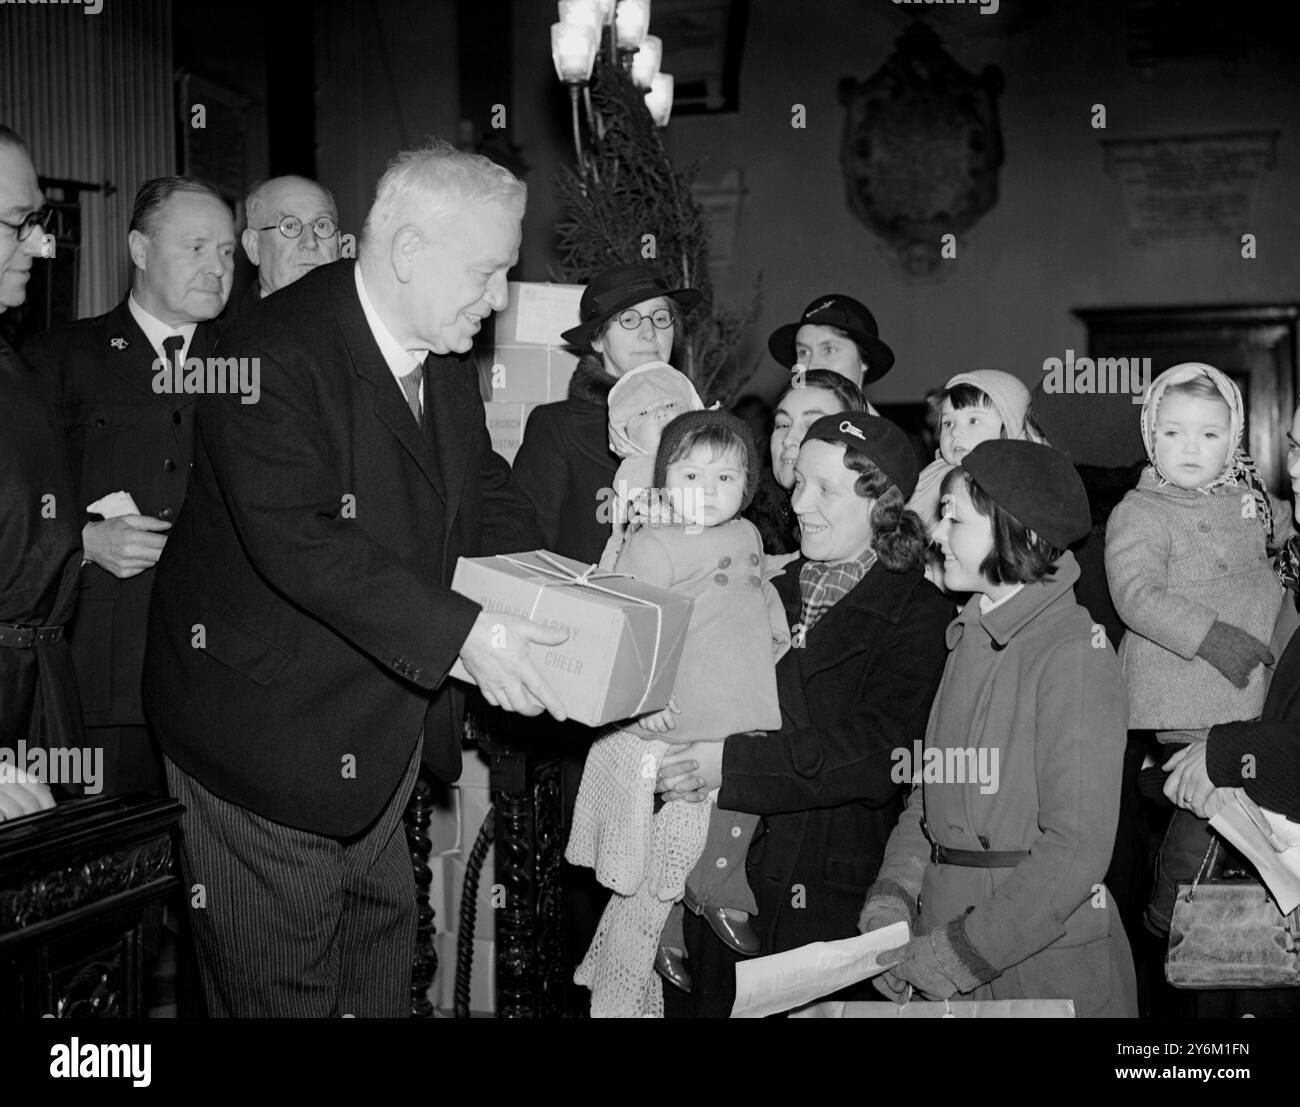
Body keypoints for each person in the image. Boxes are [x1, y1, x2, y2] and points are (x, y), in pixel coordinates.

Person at [140, 140, 562, 1017]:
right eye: (486, 274)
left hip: (375, 745)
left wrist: (560, 591)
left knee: (379, 970)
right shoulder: (263, 351)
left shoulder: (440, 360)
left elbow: (480, 488)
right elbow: (302, 538)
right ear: (408, 253)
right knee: (283, 992)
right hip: (260, 740)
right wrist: (473, 636)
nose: (499, 301)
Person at [656, 413, 952, 1016]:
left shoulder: (920, 613)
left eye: (826, 490)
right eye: (798, 484)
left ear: (882, 506)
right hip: (705, 876)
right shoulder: (761, 579)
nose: (801, 504)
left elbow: (876, 755)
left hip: (824, 892)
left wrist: (730, 765)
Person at [864, 440, 1137, 1017]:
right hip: (939, 927)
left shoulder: (1073, 652)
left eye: (954, 517)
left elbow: (1076, 850)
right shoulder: (969, 634)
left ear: (1021, 534)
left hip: (1029, 956)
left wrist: (958, 955)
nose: (935, 534)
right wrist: (894, 899)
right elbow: (929, 793)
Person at [507, 260, 701, 1009]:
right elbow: (527, 546)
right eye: (631, 321)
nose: (651, 333)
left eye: (662, 318)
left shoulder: (706, 429)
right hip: (594, 696)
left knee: (676, 885)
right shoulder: (561, 427)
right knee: (600, 880)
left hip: (690, 699)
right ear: (596, 343)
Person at [567, 410, 788, 1015]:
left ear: (748, 483)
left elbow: (757, 586)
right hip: (689, 703)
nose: (709, 492)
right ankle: (665, 918)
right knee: (678, 819)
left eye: (725, 477)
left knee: (743, 787)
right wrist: (643, 705)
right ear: (665, 482)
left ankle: (717, 878)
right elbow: (624, 626)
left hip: (742, 696)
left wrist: (775, 626)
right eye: (692, 475)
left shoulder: (746, 535)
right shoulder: (652, 544)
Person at [23, 176, 232, 798]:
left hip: (227, 685)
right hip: (104, 678)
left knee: (223, 887)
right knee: (115, 874)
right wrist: (84, 539)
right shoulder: (57, 359)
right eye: (195, 247)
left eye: (225, 252)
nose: (216, 268)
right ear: (139, 250)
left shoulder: (257, 363)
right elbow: (15, 508)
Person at [1105, 363, 1285, 936]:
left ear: (1233, 441)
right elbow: (1136, 596)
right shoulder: (1141, 510)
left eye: (1209, 434)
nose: (1190, 447)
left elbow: (1276, 535)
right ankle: (1168, 914)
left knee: (1241, 802)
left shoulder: (1245, 496)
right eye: (1173, 431)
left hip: (1249, 690)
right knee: (1212, 807)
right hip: (1188, 685)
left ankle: (1241, 914)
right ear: (1150, 435)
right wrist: (1213, 638)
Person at [0, 125, 80, 812]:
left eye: (37, 220)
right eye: (16, 224)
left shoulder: (15, 366)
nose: (39, 243)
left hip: (37, 695)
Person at [907, 369, 1047, 535]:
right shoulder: (931, 477)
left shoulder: (1018, 487)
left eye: (973, 420)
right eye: (948, 423)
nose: (955, 432)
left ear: (1011, 427)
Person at [745, 367, 866, 554]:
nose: (788, 439)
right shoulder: (736, 516)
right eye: (782, 424)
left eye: (811, 425)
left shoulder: (871, 526)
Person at [597, 360, 703, 570]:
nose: (661, 413)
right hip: (648, 563)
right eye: (643, 412)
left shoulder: (711, 455)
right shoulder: (636, 469)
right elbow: (624, 534)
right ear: (626, 437)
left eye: (671, 404)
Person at [230, 175, 340, 316]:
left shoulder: (368, 322)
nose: (310, 242)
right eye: (289, 226)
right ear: (253, 246)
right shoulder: (226, 335)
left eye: (322, 225)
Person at [766, 293, 894, 398]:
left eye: (829, 349)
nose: (811, 366)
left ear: (864, 361)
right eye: (803, 352)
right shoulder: (790, 427)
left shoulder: (879, 430)